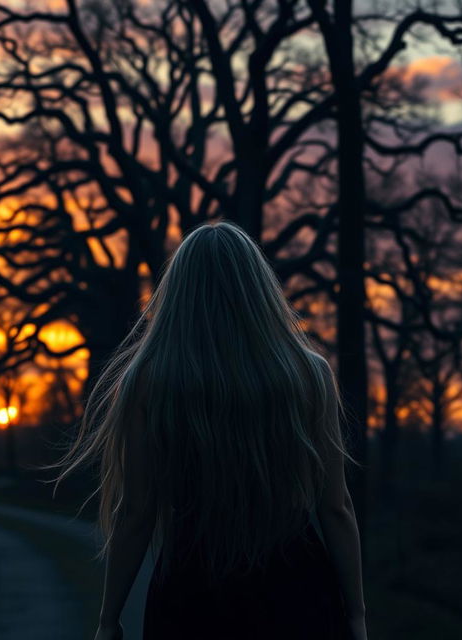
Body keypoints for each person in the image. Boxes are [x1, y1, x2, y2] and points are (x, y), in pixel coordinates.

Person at [52, 220, 367, 640]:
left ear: (179, 294)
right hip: (297, 592)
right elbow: (336, 507)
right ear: (258, 290)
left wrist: (109, 619)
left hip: (190, 593)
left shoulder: (149, 379)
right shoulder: (308, 375)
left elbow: (136, 511)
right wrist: (357, 616)